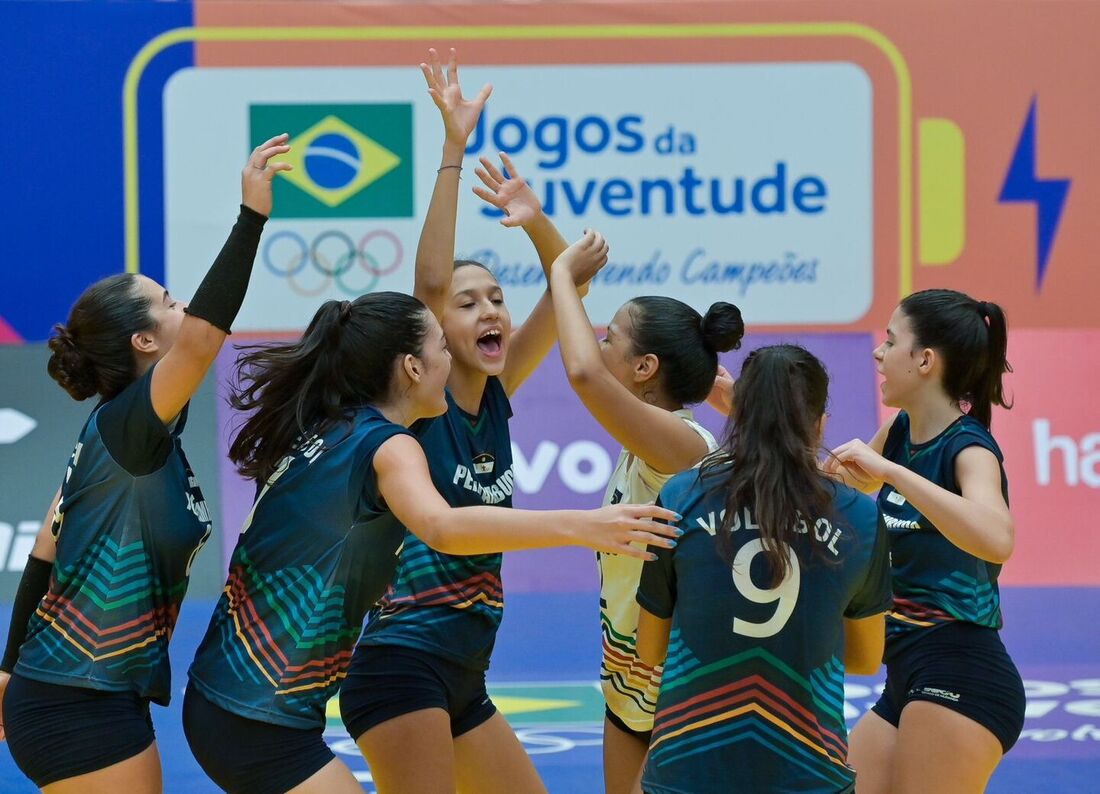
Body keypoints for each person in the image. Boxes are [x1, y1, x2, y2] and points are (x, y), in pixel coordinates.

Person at [182, 291, 679, 794]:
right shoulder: (389, 446)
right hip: (255, 716)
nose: (451, 359)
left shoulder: (335, 423)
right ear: (413, 369)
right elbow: (442, 527)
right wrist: (582, 525)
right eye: (442, 347)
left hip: (240, 701)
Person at [0, 135, 292, 792]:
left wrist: (6, 666)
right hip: (77, 698)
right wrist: (252, 218)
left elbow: (45, 549)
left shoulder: (129, 435)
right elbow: (208, 335)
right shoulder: (129, 426)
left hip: (88, 692)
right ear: (144, 340)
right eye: (168, 302)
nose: (183, 307)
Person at [344, 49, 593, 794]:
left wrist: (537, 223)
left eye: (495, 297)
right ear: (431, 337)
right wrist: (453, 149)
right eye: (468, 302)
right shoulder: (425, 399)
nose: (489, 309)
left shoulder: (499, 388)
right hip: (402, 662)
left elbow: (571, 281)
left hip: (465, 673)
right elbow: (426, 283)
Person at [635, 344, 892, 794]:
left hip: (688, 774)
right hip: (809, 774)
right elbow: (866, 659)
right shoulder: (861, 517)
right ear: (819, 425)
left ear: (738, 417)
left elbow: (650, 649)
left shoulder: (680, 496)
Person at [546, 230, 746, 793]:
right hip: (626, 685)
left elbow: (584, 373)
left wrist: (561, 276)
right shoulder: (647, 440)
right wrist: (539, 226)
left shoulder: (680, 447)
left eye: (610, 338)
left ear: (644, 368)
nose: (598, 344)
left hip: (677, 689)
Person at [828, 289, 1024, 794]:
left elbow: (997, 538)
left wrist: (892, 472)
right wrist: (750, 408)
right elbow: (834, 484)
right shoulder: (899, 429)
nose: (878, 352)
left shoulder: (969, 448)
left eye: (891, 341)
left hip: (963, 671)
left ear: (924, 360)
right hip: (904, 673)